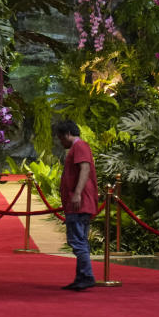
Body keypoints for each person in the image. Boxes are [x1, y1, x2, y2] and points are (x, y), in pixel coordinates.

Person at [55, 119, 98, 290]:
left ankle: (86, 275)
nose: (60, 141)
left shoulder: (79, 147)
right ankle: (82, 276)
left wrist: (78, 193)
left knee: (77, 240)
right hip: (79, 201)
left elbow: (85, 168)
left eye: (60, 137)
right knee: (80, 239)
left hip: (80, 202)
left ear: (67, 134)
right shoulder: (78, 148)